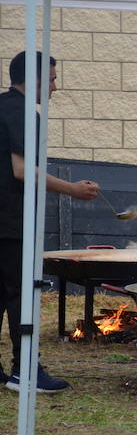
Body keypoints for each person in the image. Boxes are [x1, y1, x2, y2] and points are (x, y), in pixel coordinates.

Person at [1, 50, 100, 393]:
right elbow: (21, 169)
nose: (56, 87)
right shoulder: (26, 112)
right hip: (11, 221)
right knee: (21, 296)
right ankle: (25, 372)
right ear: (35, 78)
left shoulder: (2, 105)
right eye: (53, 79)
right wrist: (72, 189)